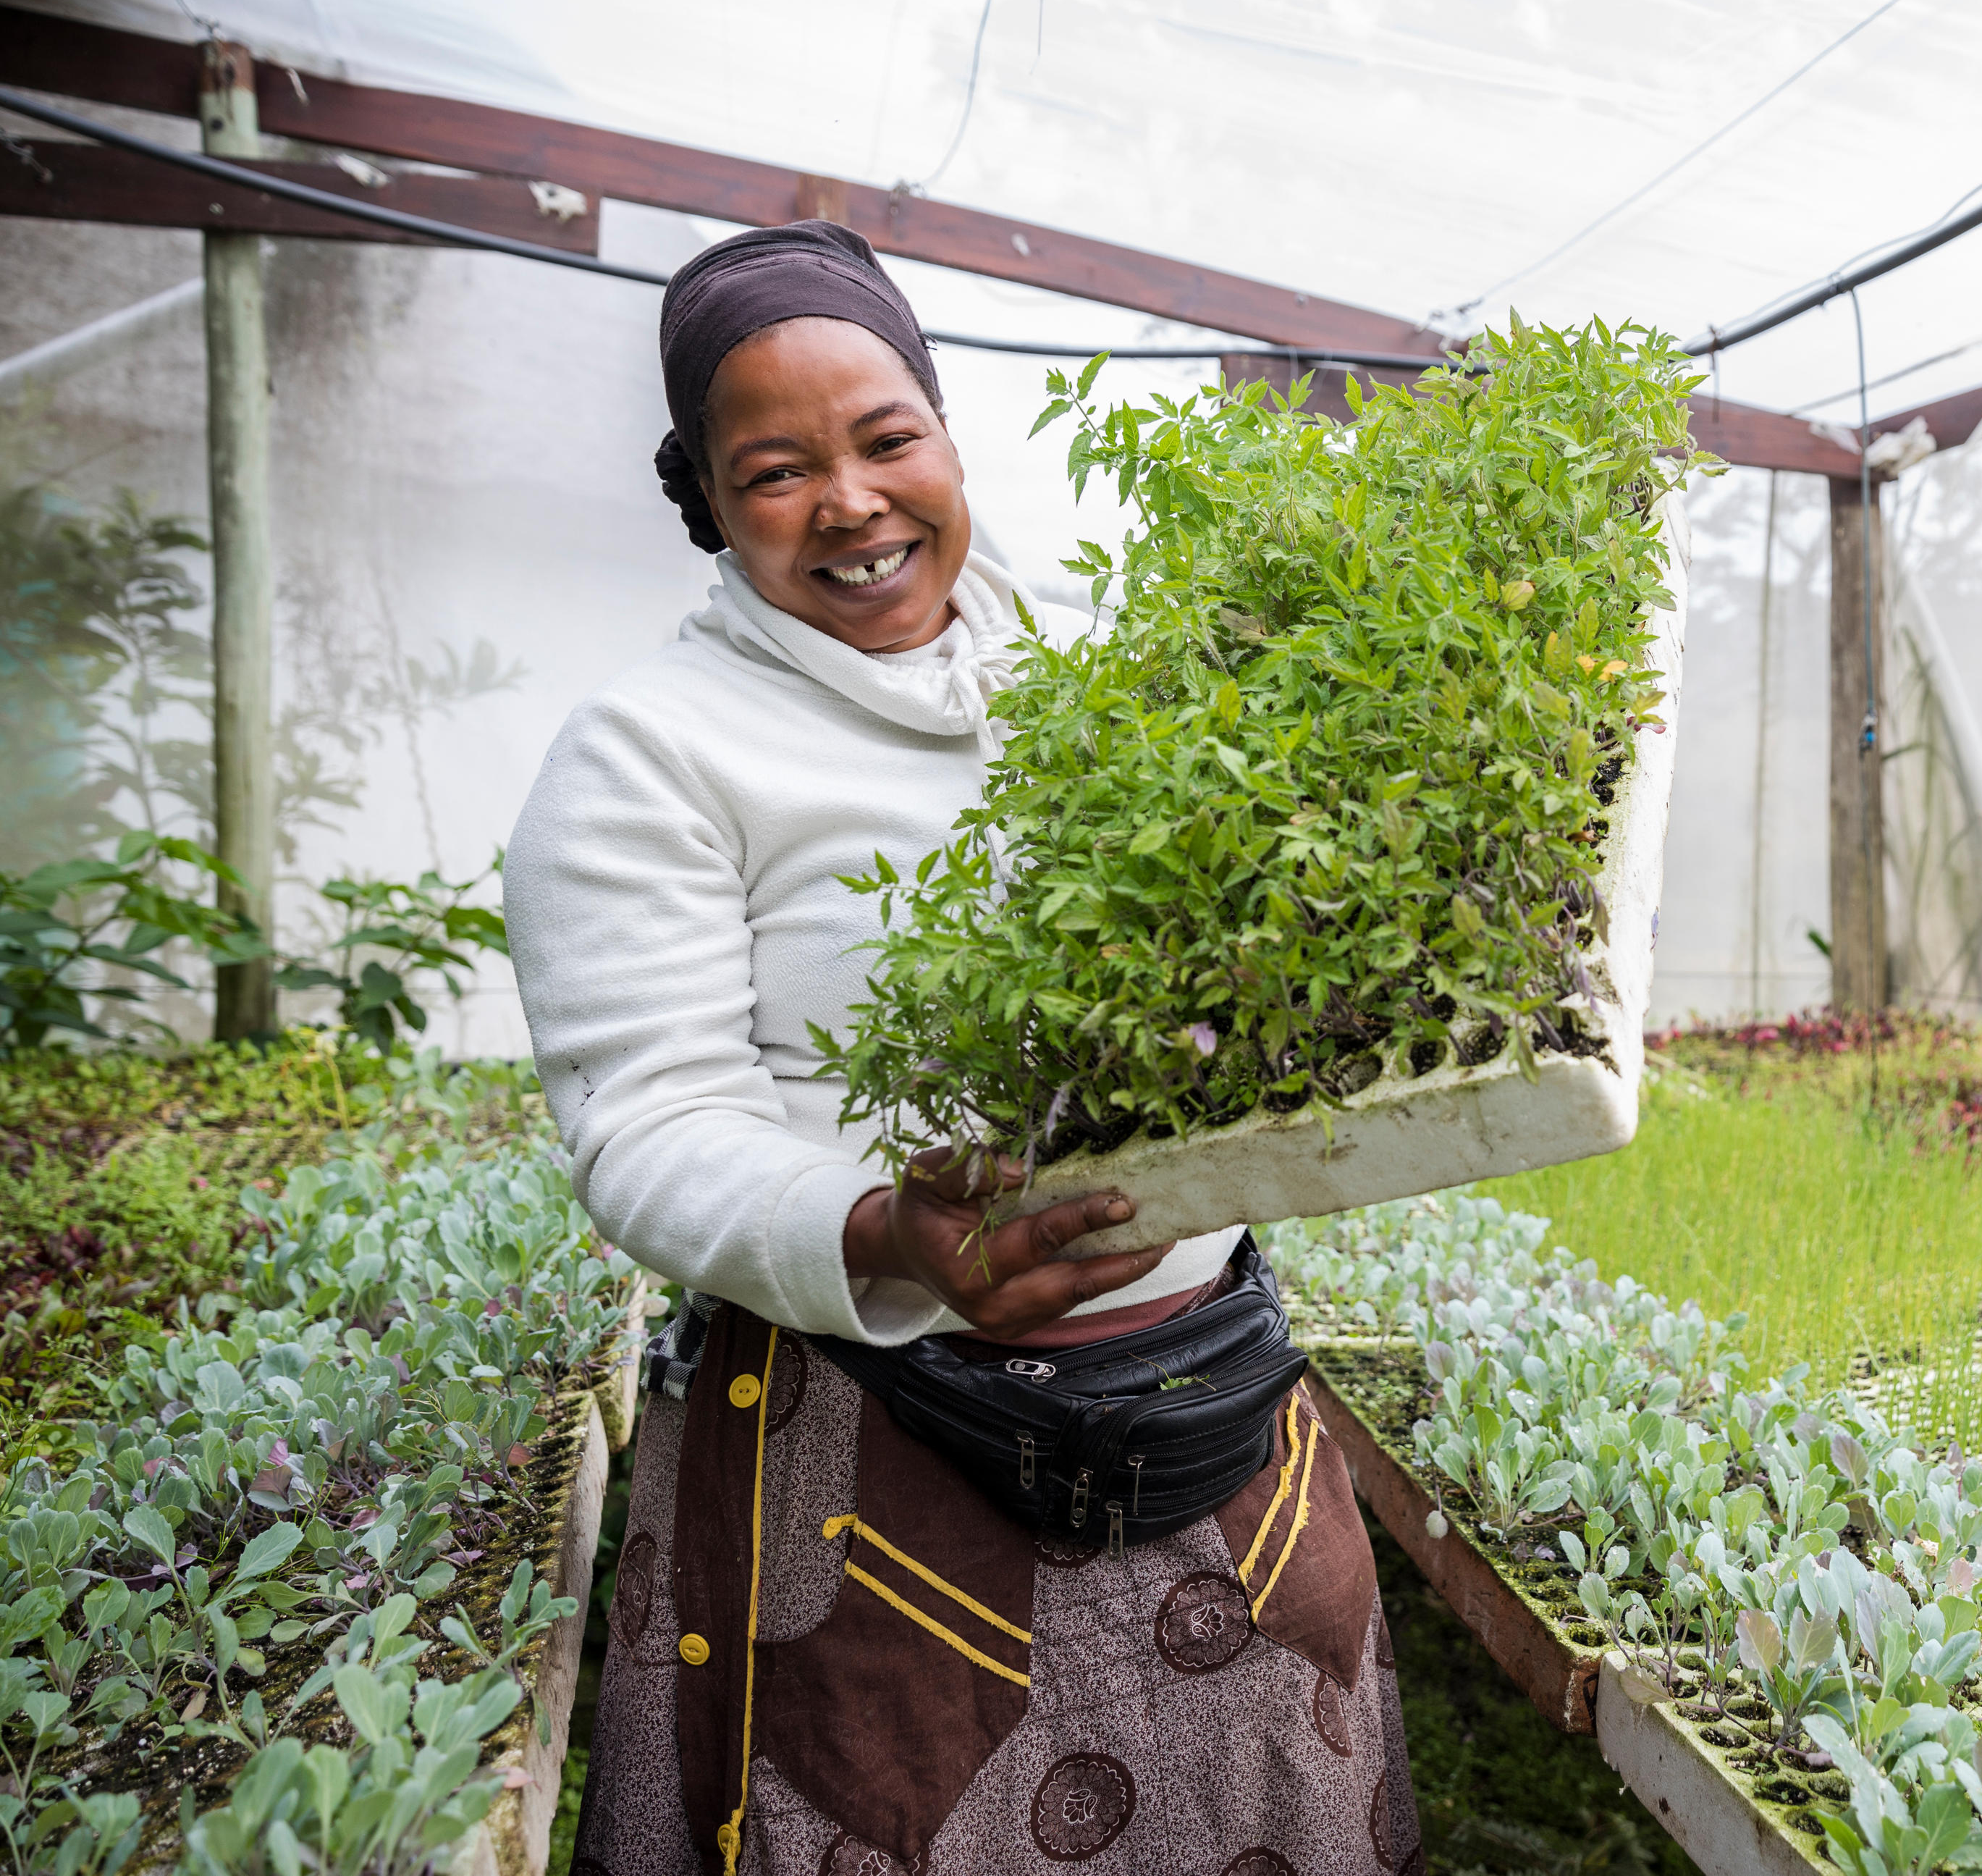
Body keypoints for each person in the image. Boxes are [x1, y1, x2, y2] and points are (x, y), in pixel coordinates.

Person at [506, 222, 1419, 1876]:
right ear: (706, 502)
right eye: (774, 469)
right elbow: (647, 1120)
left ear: (944, 436)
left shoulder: (1108, 656)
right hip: (871, 1451)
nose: (848, 502)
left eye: (884, 439)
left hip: (1213, 1415)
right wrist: (883, 1231)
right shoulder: (647, 753)